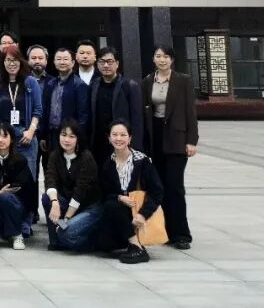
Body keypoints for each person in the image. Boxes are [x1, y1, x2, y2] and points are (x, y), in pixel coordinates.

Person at [142, 44, 199, 250]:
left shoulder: (183, 81)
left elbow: (191, 112)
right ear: (153, 59)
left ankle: (182, 234)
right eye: (158, 56)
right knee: (160, 187)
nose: (162, 59)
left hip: (176, 137)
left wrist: (191, 140)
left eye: (166, 56)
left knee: (175, 187)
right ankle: (167, 231)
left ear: (172, 60)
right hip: (156, 137)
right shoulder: (148, 81)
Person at [97, 119, 164, 264]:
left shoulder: (143, 161)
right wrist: (119, 197)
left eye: (123, 135)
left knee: (112, 205)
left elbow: (157, 192)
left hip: (138, 211)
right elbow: (103, 194)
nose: (118, 138)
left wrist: (143, 214)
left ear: (130, 138)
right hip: (119, 213)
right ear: (109, 138)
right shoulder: (108, 164)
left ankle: (136, 246)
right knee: (104, 244)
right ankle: (129, 243)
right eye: (114, 135)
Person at [0, 46, 43, 206]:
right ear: (3, 63)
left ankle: (29, 214)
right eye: (8, 60)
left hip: (25, 136)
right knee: (6, 177)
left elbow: (38, 110)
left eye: (15, 60)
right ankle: (10, 211)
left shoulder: (30, 82)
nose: (12, 63)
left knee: (28, 179)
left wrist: (31, 131)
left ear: (21, 61)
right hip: (4, 138)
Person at [42, 119, 102, 252]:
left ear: (78, 139)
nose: (66, 140)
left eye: (71, 136)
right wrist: (55, 202)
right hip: (68, 202)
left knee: (66, 233)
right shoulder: (55, 155)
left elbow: (80, 192)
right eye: (63, 135)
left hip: (88, 207)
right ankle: (56, 242)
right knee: (47, 198)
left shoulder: (86, 158)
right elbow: (50, 180)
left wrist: (66, 220)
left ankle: (95, 242)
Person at [89, 47, 145, 162]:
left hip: (121, 143)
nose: (105, 65)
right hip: (98, 144)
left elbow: (137, 120)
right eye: (102, 62)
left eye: (110, 62)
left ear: (117, 64)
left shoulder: (129, 86)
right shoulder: (93, 85)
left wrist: (135, 147)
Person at [41, 47, 91, 169]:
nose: (62, 62)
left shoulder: (79, 85)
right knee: (51, 167)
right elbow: (45, 111)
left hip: (70, 135)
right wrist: (43, 135)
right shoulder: (50, 84)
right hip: (52, 135)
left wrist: (78, 137)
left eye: (65, 59)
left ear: (73, 62)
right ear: (54, 62)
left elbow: (83, 115)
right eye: (58, 59)